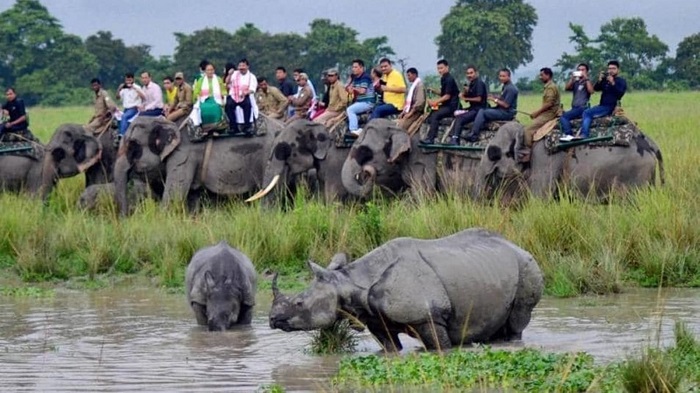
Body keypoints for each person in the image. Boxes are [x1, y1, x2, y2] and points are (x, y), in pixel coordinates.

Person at [577, 60, 627, 140]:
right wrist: (600, 80)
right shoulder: (605, 80)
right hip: (602, 105)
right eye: (609, 68)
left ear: (618, 70)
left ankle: (584, 134)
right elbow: (596, 89)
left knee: (587, 112)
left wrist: (613, 83)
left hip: (610, 106)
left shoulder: (621, 81)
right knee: (587, 111)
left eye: (613, 68)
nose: (611, 70)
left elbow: (620, 94)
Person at [466, 68, 518, 143]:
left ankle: (473, 135)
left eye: (504, 76)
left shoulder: (511, 88)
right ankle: (479, 127)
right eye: (500, 76)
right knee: (486, 108)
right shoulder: (506, 86)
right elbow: (503, 98)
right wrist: (494, 96)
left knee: (482, 111)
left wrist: (494, 100)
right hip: (501, 110)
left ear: (509, 77)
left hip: (506, 112)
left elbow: (506, 105)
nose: (501, 78)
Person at [420, 59, 459, 145]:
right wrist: (434, 91)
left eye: (441, 68)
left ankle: (431, 139)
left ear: (447, 67)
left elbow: (447, 96)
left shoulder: (449, 79)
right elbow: (443, 93)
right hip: (445, 105)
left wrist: (435, 102)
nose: (440, 70)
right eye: (438, 68)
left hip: (451, 106)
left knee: (435, 115)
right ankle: (429, 134)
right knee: (431, 112)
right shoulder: (443, 79)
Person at [447, 65, 487, 145]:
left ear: (476, 73)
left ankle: (455, 139)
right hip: (472, 108)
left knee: (460, 118)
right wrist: (465, 93)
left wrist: (465, 98)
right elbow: (468, 98)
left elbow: (479, 99)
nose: (469, 75)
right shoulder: (472, 84)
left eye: (471, 73)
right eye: (467, 73)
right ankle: (452, 136)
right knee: (457, 114)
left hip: (478, 110)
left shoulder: (479, 83)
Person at [523, 67, 560, 148]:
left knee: (527, 130)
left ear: (548, 75)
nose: (540, 77)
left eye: (542, 75)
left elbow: (549, 104)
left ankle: (528, 152)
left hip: (549, 114)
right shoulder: (549, 86)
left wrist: (537, 113)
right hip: (548, 113)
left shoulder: (551, 87)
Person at [559, 63, 594, 141]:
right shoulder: (576, 82)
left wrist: (586, 78)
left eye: (583, 70)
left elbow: (591, 91)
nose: (580, 71)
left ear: (587, 71)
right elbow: (566, 88)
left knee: (563, 117)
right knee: (563, 116)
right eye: (579, 70)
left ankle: (569, 134)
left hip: (583, 107)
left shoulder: (588, 81)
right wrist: (572, 78)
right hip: (575, 108)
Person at [225, 58, 258, 135]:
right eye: (240, 66)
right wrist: (229, 74)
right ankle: (233, 127)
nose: (241, 68)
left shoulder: (251, 77)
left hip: (245, 95)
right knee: (229, 105)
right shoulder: (235, 74)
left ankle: (247, 127)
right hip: (234, 95)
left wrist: (245, 93)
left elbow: (252, 89)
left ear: (247, 66)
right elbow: (227, 82)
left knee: (247, 105)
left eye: (243, 66)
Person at [344, 59, 375, 137]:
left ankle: (354, 129)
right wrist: (349, 88)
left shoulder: (365, 77)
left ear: (361, 68)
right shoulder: (356, 78)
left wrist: (353, 88)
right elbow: (350, 90)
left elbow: (362, 91)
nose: (353, 69)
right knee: (348, 110)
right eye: (353, 67)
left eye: (355, 67)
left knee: (350, 110)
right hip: (360, 102)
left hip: (367, 102)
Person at [192, 62, 226, 127]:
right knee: (203, 109)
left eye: (211, 70)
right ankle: (204, 128)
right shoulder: (201, 80)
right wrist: (197, 95)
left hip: (216, 100)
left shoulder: (218, 79)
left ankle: (216, 128)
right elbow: (196, 92)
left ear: (214, 70)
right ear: (205, 71)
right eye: (208, 70)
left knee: (215, 108)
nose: (210, 72)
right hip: (204, 100)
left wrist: (223, 95)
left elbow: (223, 91)